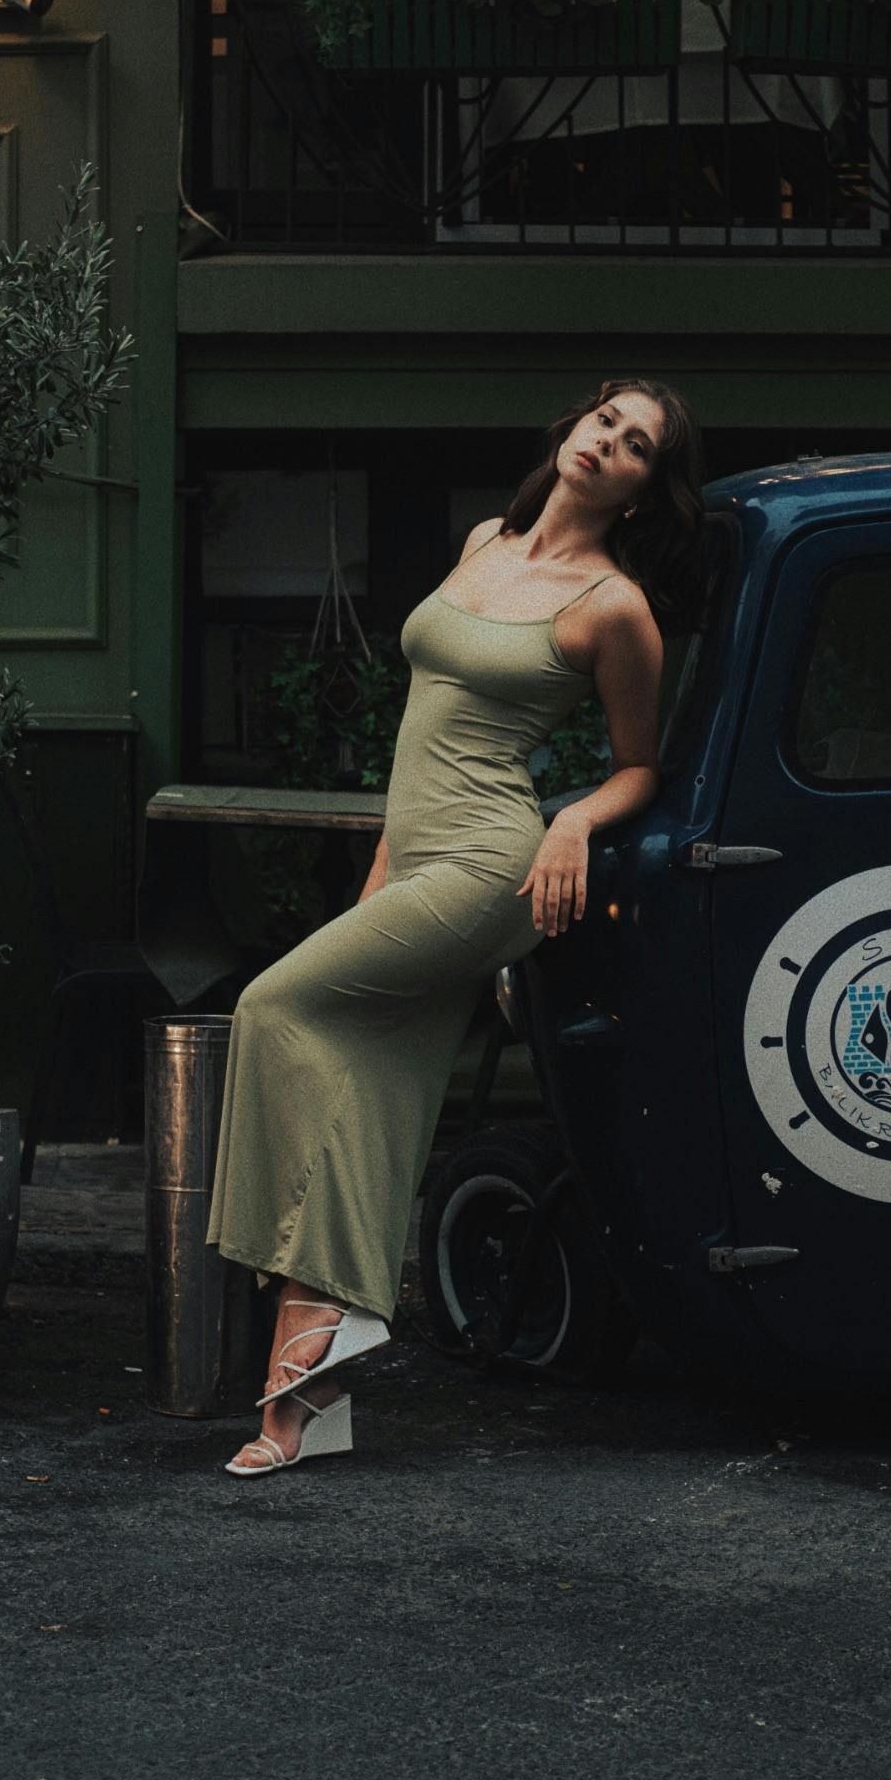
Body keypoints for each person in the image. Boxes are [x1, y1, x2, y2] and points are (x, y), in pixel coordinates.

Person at [211, 381, 706, 1476]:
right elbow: (419, 726)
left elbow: (641, 767)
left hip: (491, 863)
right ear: (571, 428)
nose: (607, 445)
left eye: (635, 446)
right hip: (417, 856)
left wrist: (571, 819)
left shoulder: (612, 606)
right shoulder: (484, 539)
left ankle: (316, 1328)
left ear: (641, 487)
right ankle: (308, 1399)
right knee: (360, 1091)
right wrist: (381, 874)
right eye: (603, 422)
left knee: (271, 1005)